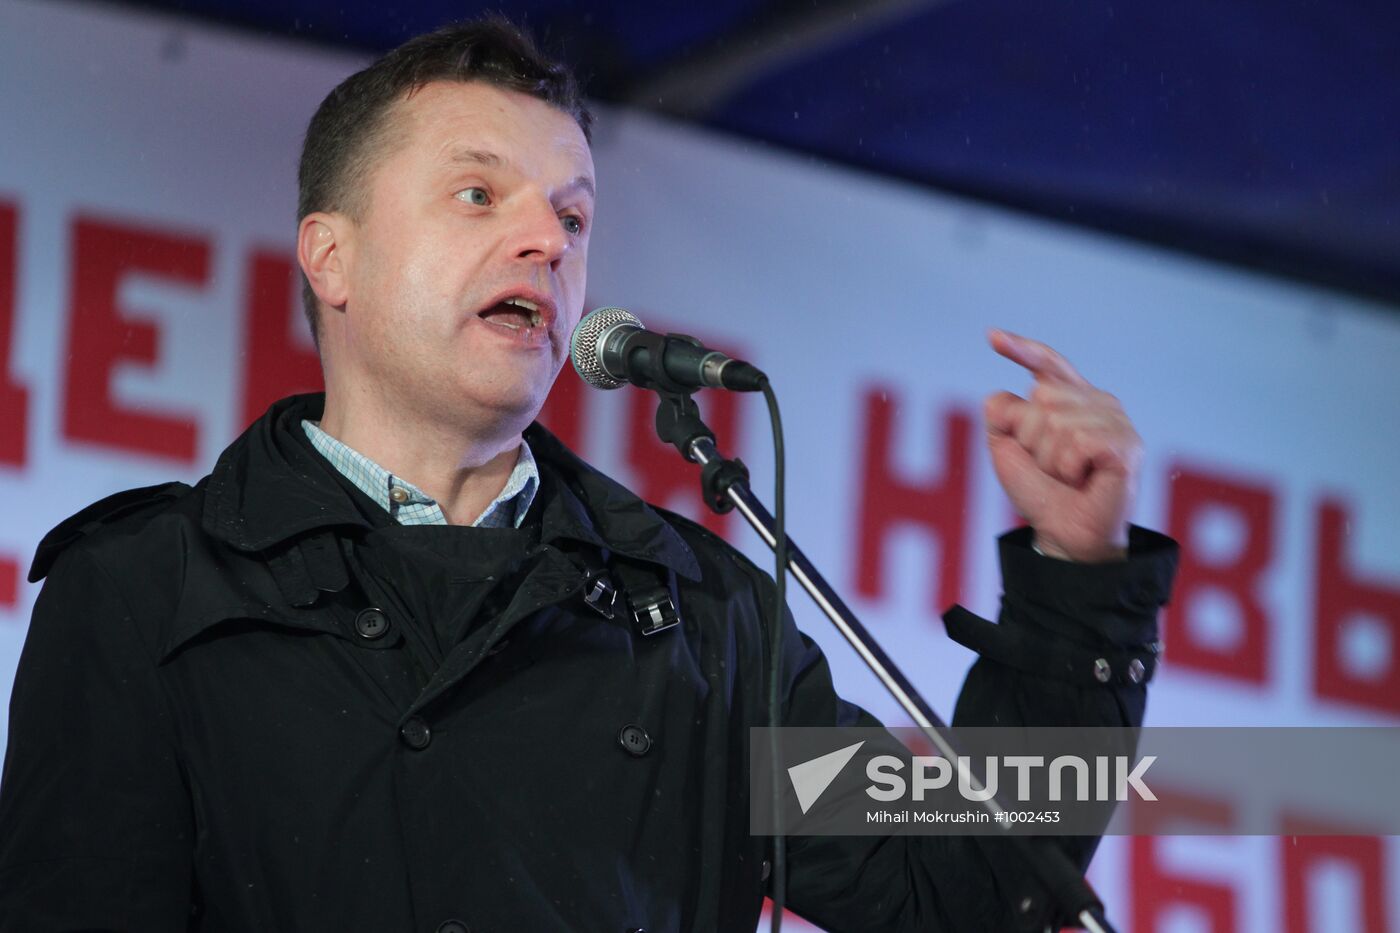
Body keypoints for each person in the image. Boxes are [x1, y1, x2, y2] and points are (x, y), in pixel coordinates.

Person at [0, 17, 1177, 933]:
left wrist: (1080, 578)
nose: (545, 241)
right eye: (478, 194)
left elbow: (966, 886)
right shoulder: (145, 589)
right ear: (331, 256)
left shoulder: (702, 624)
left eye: (571, 214)